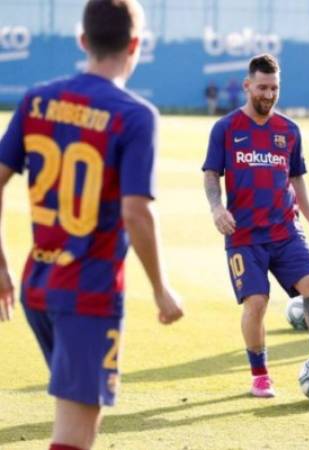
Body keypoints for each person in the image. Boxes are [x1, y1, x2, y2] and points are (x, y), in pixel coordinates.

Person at [0, 1, 184, 448]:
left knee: (78, 414)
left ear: (83, 40)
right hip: (88, 292)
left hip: (37, 285)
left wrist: (2, 264)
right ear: (135, 45)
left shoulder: (37, 99)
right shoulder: (135, 115)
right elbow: (136, 212)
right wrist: (161, 288)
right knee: (76, 434)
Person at [202, 53, 309, 398]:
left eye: (274, 88)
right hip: (244, 236)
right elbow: (210, 175)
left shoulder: (289, 131)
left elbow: (296, 180)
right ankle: (260, 375)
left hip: (285, 230)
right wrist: (217, 208)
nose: (268, 94)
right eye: (262, 87)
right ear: (247, 86)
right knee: (257, 303)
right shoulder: (226, 129)